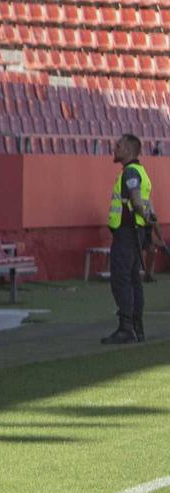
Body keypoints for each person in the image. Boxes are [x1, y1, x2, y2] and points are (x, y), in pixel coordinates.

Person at [105, 133, 158, 344]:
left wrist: (144, 217)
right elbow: (149, 206)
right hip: (136, 233)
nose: (114, 148)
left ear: (128, 150)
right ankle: (137, 327)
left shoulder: (130, 173)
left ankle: (126, 328)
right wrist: (150, 225)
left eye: (118, 145)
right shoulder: (142, 172)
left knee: (122, 279)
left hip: (126, 233)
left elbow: (137, 202)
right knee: (134, 280)